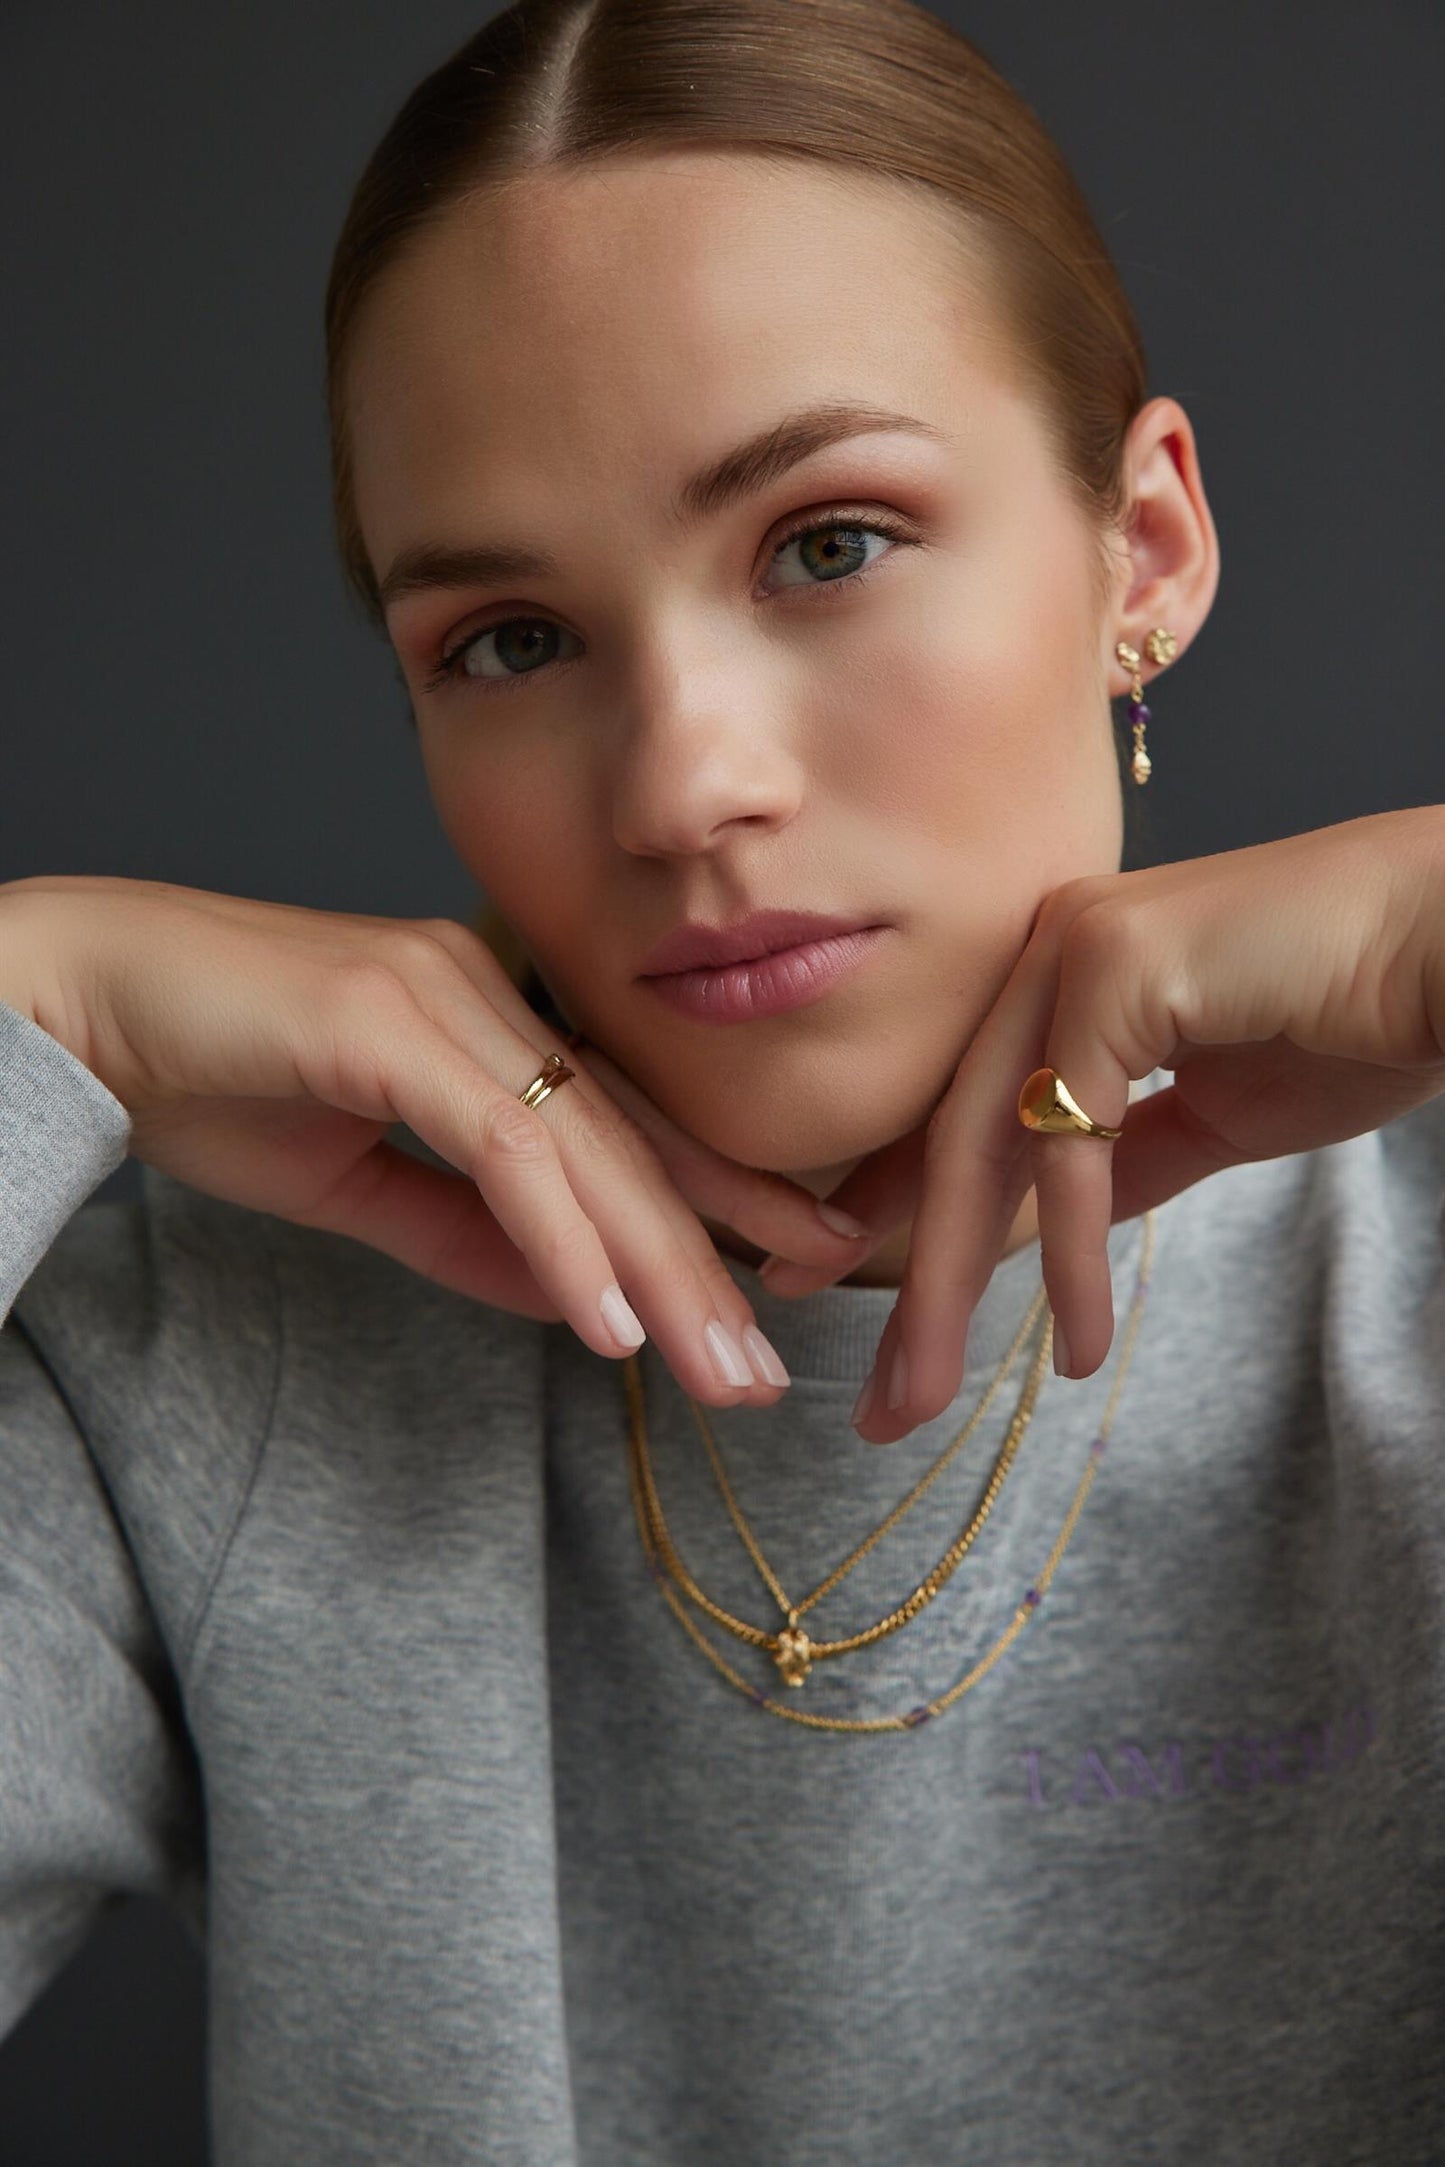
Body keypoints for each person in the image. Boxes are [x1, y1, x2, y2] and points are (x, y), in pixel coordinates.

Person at [1, 0, 1441, 2159]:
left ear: (1140, 554)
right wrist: (29, 1001)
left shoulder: (1409, 1310)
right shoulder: (209, 1377)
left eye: (828, 541)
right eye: (509, 640)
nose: (681, 789)